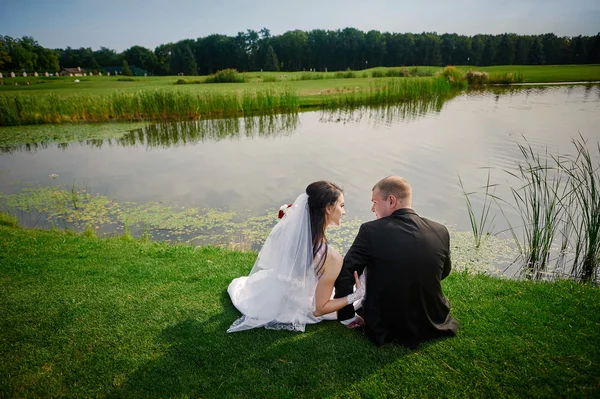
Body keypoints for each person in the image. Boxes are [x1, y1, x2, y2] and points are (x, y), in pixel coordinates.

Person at [334, 176, 458, 347]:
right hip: (433, 318)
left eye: (375, 202)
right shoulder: (440, 230)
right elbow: (444, 272)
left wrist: (346, 314)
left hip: (385, 324)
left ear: (391, 201)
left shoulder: (370, 231)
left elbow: (346, 273)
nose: (372, 208)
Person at [227, 181, 364, 333]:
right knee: (361, 295)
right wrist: (354, 296)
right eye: (342, 206)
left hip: (276, 293)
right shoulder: (331, 257)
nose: (344, 211)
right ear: (328, 208)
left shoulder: (289, 235)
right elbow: (320, 309)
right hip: (303, 305)